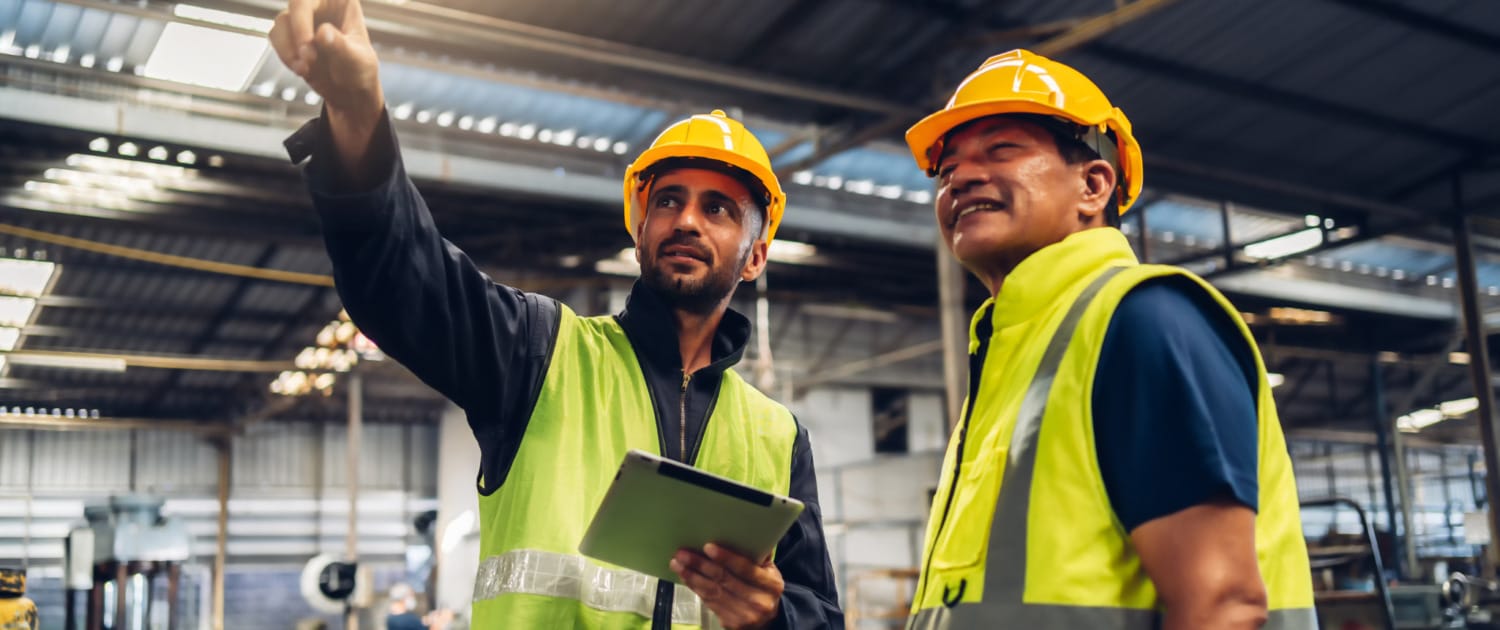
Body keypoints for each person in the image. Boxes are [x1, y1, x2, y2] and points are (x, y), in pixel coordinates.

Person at [267, 2, 842, 628]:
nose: (685, 220)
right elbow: (403, 280)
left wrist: (774, 615)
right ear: (640, 228)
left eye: (719, 209)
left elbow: (821, 616)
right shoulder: (540, 353)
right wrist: (357, 112)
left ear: (755, 255)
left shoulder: (778, 437)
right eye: (669, 200)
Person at [901, 49, 1316, 630]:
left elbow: (1222, 605)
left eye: (1001, 150)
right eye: (947, 172)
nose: (961, 178)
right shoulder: (1010, 358)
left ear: (1094, 185)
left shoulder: (1140, 320)